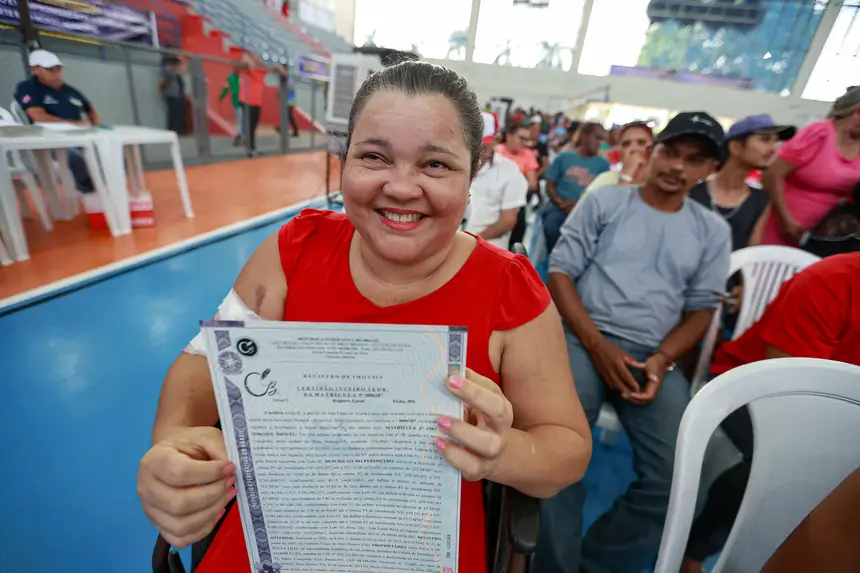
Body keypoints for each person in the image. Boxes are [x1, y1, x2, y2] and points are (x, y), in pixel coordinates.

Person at [136, 60, 592, 573]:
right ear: (345, 160)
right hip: (278, 533)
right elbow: (201, 366)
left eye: (435, 165)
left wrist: (503, 454)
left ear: (473, 175)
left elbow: (566, 448)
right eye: (374, 157)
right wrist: (174, 452)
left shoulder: (508, 290)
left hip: (421, 546)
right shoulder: (296, 250)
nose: (400, 188)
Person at [534, 111, 731, 573]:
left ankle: (598, 564)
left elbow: (703, 309)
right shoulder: (606, 203)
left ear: (708, 171)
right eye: (670, 152)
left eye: (694, 160)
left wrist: (663, 358)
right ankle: (553, 567)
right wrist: (598, 345)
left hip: (652, 357)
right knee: (557, 449)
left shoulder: (711, 231)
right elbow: (560, 272)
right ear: (651, 151)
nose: (678, 167)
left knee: (684, 477)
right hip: (584, 338)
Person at [681, 252, 860, 573]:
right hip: (751, 387)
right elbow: (793, 399)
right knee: (769, 468)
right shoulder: (829, 282)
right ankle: (694, 554)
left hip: (839, 412)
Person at [761, 86, 860, 246]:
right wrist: (785, 219)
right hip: (781, 222)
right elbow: (772, 175)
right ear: (857, 112)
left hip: (820, 232)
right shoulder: (819, 133)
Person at [690, 114, 793, 251]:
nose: (773, 149)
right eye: (765, 140)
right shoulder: (692, 191)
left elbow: (751, 253)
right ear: (736, 147)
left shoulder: (761, 200)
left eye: (775, 142)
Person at [14, 49, 100, 194]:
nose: (57, 72)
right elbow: (37, 116)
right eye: (50, 69)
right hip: (50, 142)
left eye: (59, 68)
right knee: (74, 156)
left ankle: (108, 187)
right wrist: (75, 125)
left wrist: (96, 128)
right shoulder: (28, 88)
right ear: (36, 70)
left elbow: (91, 109)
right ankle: (91, 190)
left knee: (111, 150)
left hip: (80, 138)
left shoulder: (70, 90)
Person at [540, 122, 609, 252]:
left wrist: (579, 207)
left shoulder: (603, 165)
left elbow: (604, 193)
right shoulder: (565, 157)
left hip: (587, 211)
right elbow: (550, 184)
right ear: (584, 136)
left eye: (602, 139)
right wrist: (561, 203)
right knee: (551, 225)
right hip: (560, 207)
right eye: (597, 138)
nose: (600, 143)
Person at [465, 111, 528, 249]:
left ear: (497, 138)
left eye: (483, 145)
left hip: (486, 246)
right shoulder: (454, 166)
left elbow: (507, 221)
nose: (477, 150)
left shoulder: (509, 171)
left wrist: (471, 240)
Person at [582, 121, 653, 195]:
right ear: (620, 152)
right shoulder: (605, 179)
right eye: (626, 144)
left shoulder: (659, 183)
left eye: (641, 142)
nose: (634, 148)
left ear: (653, 149)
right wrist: (626, 176)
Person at [160, 56, 187, 135]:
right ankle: (173, 131)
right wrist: (161, 93)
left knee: (179, 114)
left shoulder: (177, 73)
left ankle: (179, 130)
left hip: (178, 95)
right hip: (172, 96)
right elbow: (162, 83)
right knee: (173, 115)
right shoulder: (168, 71)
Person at [219, 64, 243, 146]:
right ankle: (239, 135)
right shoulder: (231, 78)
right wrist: (221, 97)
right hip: (237, 103)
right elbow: (226, 88)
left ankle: (240, 136)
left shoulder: (244, 77)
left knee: (241, 120)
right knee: (241, 120)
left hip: (244, 102)